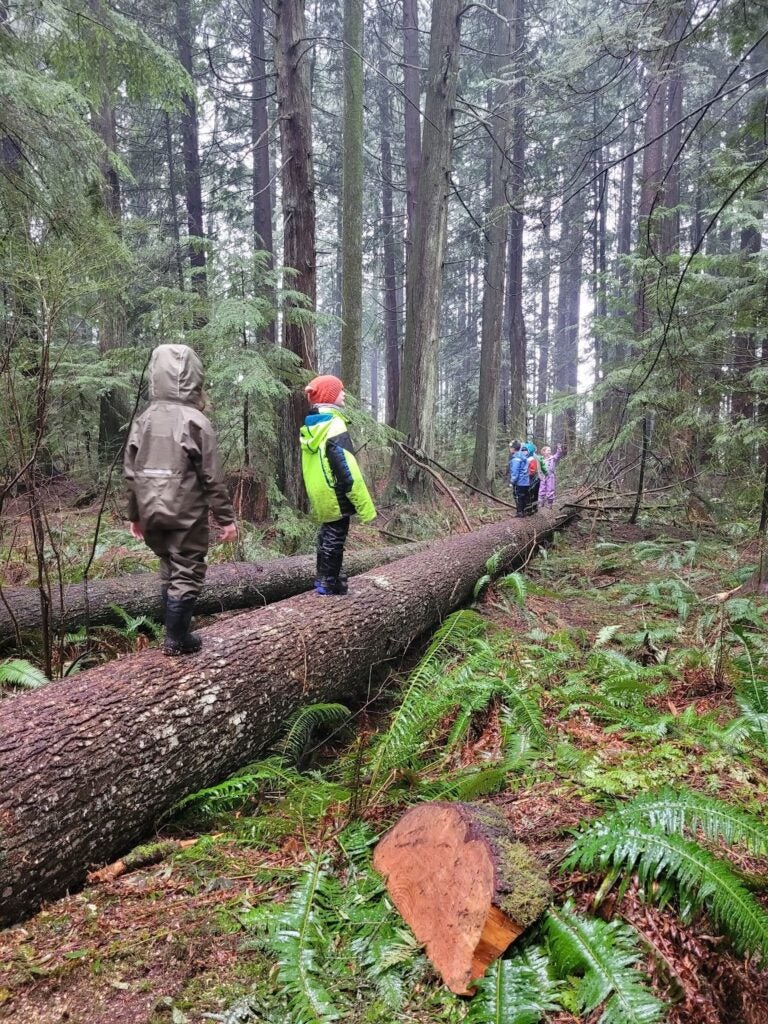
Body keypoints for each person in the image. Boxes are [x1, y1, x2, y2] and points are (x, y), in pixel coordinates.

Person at [124, 344, 237, 656]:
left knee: (168, 565)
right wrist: (226, 519)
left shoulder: (143, 419)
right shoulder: (195, 420)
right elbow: (211, 477)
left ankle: (173, 634)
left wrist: (134, 515)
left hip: (150, 509)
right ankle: (176, 639)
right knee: (186, 568)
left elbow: (130, 474)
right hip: (186, 512)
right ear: (193, 377)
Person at [300, 374, 376, 595]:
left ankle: (326, 577)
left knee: (327, 533)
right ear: (329, 396)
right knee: (335, 535)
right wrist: (365, 507)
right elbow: (346, 467)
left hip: (320, 490)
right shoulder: (333, 425)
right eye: (340, 391)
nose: (344, 394)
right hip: (335, 490)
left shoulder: (313, 425)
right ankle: (329, 582)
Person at [510, 442, 532, 517]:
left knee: (519, 496)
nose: (510, 449)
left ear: (513, 449)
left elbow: (515, 472)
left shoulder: (516, 458)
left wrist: (512, 481)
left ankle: (520, 512)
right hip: (526, 481)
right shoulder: (523, 457)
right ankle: (525, 511)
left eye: (510, 448)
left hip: (520, 482)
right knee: (525, 496)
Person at [524, 443, 542, 515]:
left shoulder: (533, 458)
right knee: (530, 494)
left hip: (534, 479)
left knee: (533, 494)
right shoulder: (526, 458)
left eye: (526, 450)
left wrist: (526, 474)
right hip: (531, 479)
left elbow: (533, 470)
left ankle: (533, 508)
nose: (524, 452)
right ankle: (531, 509)